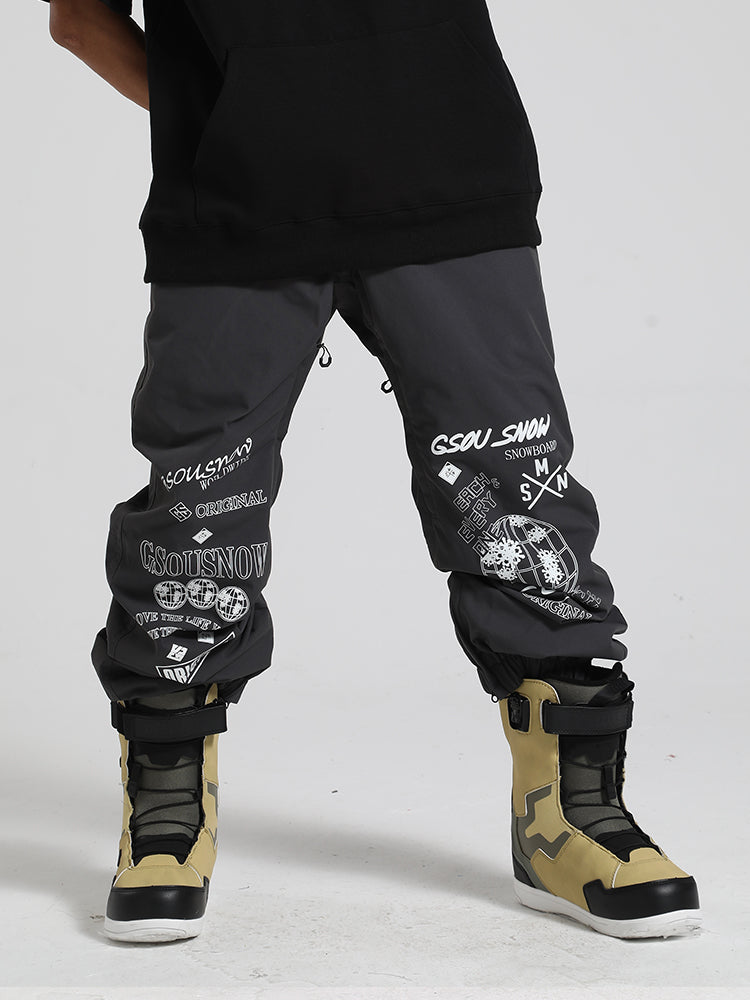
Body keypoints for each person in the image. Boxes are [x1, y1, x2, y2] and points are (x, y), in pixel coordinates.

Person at [42, 0, 701, 944]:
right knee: (198, 512)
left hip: (451, 178)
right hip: (238, 204)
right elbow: (77, 16)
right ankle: (168, 814)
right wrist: (224, 119)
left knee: (516, 496)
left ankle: (568, 818)